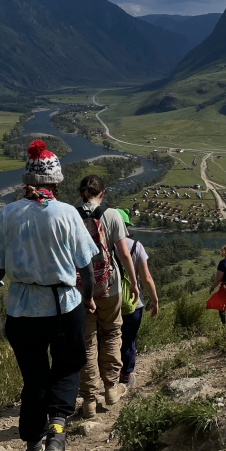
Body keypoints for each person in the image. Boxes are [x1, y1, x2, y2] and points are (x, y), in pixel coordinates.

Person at [0, 139, 98, 451]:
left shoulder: (8, 213)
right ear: (56, 182)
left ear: (26, 181)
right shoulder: (67, 214)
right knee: (66, 369)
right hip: (64, 307)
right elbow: (86, 268)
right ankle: (57, 434)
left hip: (23, 311)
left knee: (34, 381)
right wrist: (87, 298)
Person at [76, 175, 140, 419]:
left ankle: (89, 401)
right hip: (110, 286)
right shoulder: (112, 214)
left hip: (80, 289)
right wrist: (133, 283)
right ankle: (111, 390)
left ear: (81, 193)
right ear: (102, 193)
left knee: (87, 340)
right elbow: (123, 253)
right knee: (112, 333)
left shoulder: (71, 214)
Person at [116, 209, 159, 388]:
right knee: (128, 340)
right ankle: (126, 375)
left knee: (104, 339)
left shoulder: (99, 245)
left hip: (105, 302)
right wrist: (155, 300)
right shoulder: (135, 246)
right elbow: (147, 278)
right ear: (125, 226)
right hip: (133, 301)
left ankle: (105, 376)